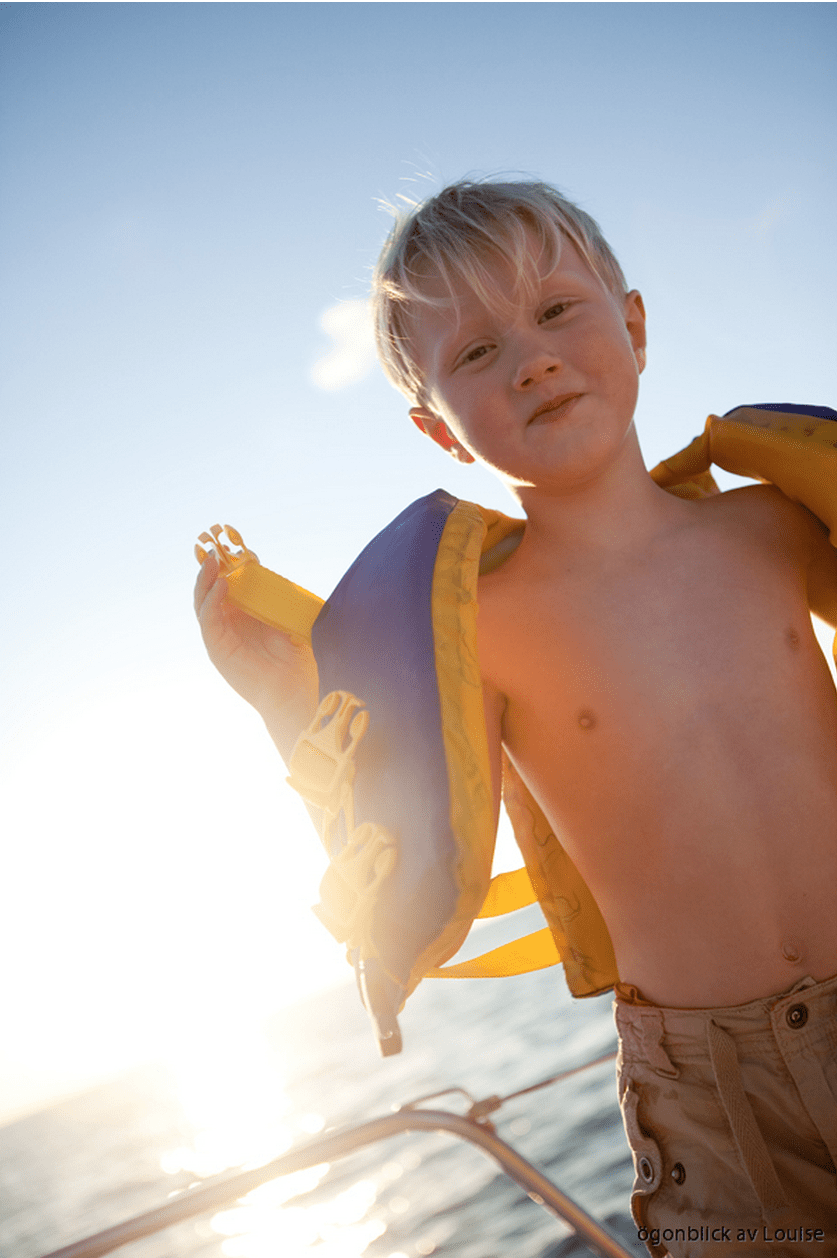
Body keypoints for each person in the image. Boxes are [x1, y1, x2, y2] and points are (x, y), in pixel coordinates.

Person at [194, 179, 837, 1255]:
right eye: (475, 355)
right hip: (714, 1100)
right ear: (438, 430)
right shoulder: (481, 622)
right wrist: (273, 697)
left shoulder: (769, 526)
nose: (531, 358)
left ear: (633, 326)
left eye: (555, 313)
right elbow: (381, 824)